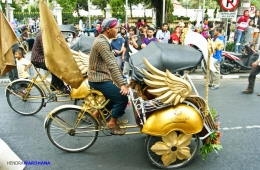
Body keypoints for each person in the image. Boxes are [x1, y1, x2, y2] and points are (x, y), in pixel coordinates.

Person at [88, 18, 129, 135]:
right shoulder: (101, 43)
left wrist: (121, 76)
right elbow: (111, 63)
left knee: (112, 98)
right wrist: (122, 84)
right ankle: (112, 124)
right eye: (115, 28)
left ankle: (96, 114)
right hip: (98, 79)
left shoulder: (103, 40)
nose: (117, 30)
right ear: (108, 29)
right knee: (122, 98)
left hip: (100, 77)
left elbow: (112, 62)